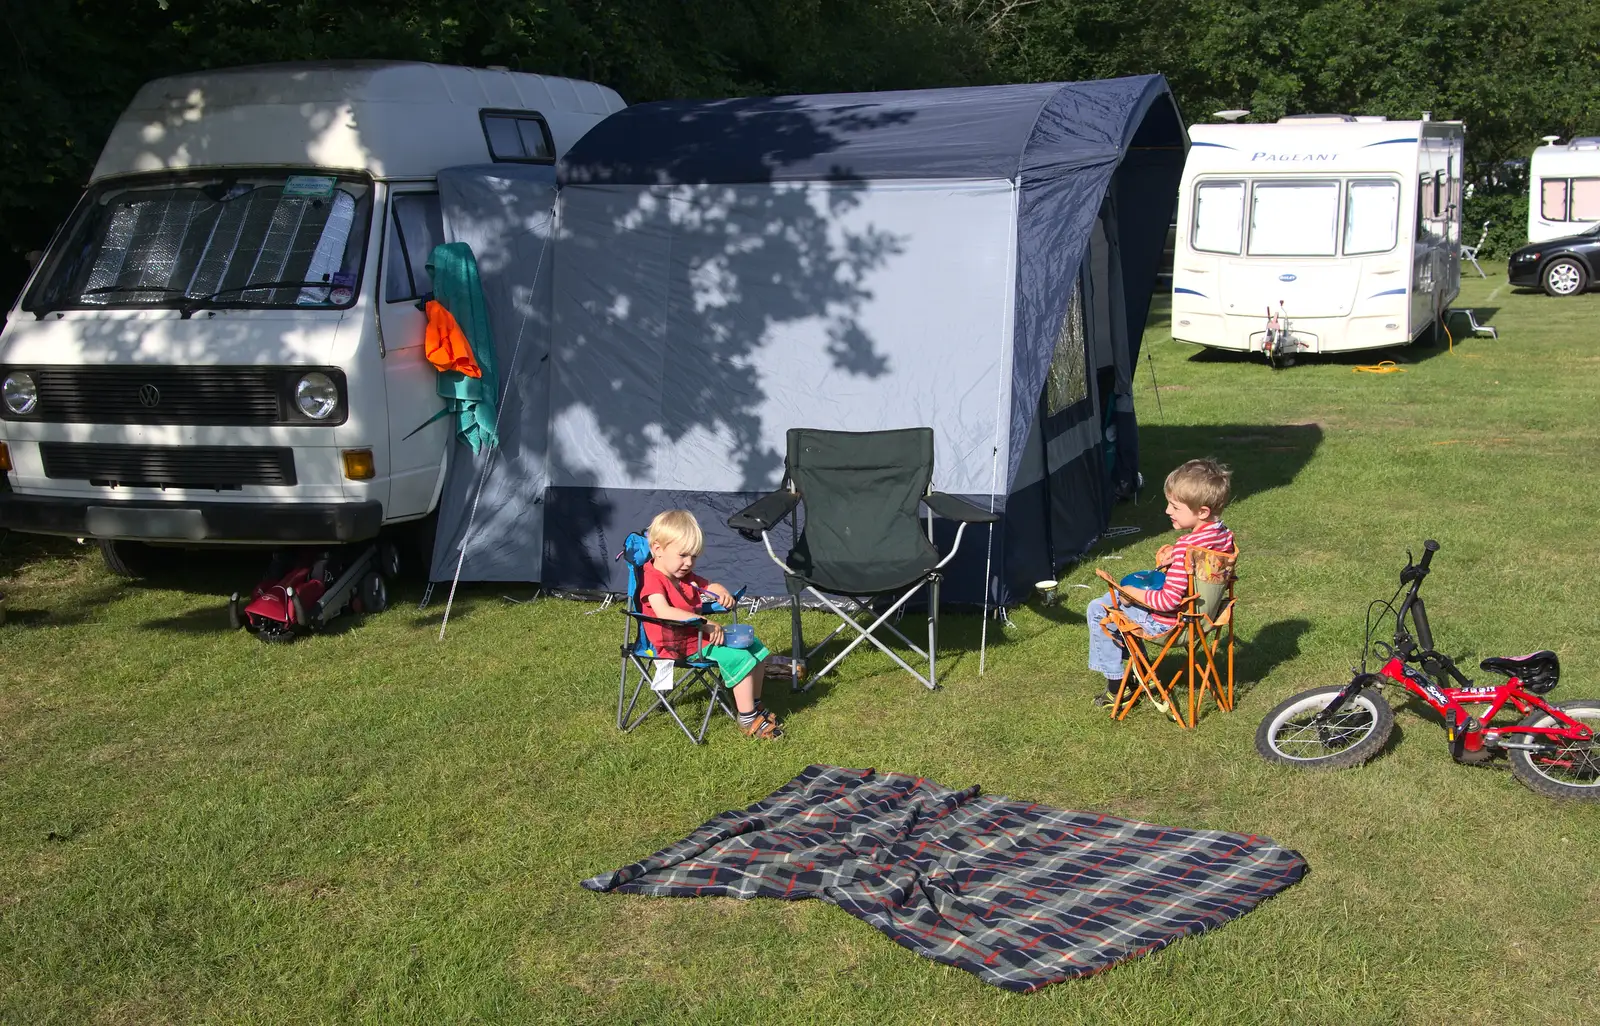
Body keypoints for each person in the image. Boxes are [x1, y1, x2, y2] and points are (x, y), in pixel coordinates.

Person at [1086, 459, 1236, 706]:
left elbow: (1167, 601)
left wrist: (1130, 593)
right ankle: (1140, 672)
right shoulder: (1223, 537)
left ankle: (1120, 686)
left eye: (1175, 507)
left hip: (1170, 625)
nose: (1167, 511)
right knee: (1111, 605)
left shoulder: (1186, 548)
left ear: (1202, 512)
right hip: (1204, 619)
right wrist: (1173, 564)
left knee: (1100, 608)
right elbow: (1198, 574)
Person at [640, 509, 783, 739]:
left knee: (756, 648)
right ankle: (747, 718)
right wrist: (704, 622)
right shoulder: (653, 580)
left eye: (694, 557)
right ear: (658, 549)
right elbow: (663, 610)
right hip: (678, 644)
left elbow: (709, 585)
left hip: (696, 636)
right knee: (739, 658)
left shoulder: (683, 575)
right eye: (683, 555)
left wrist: (721, 592)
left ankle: (754, 704)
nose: (689, 563)